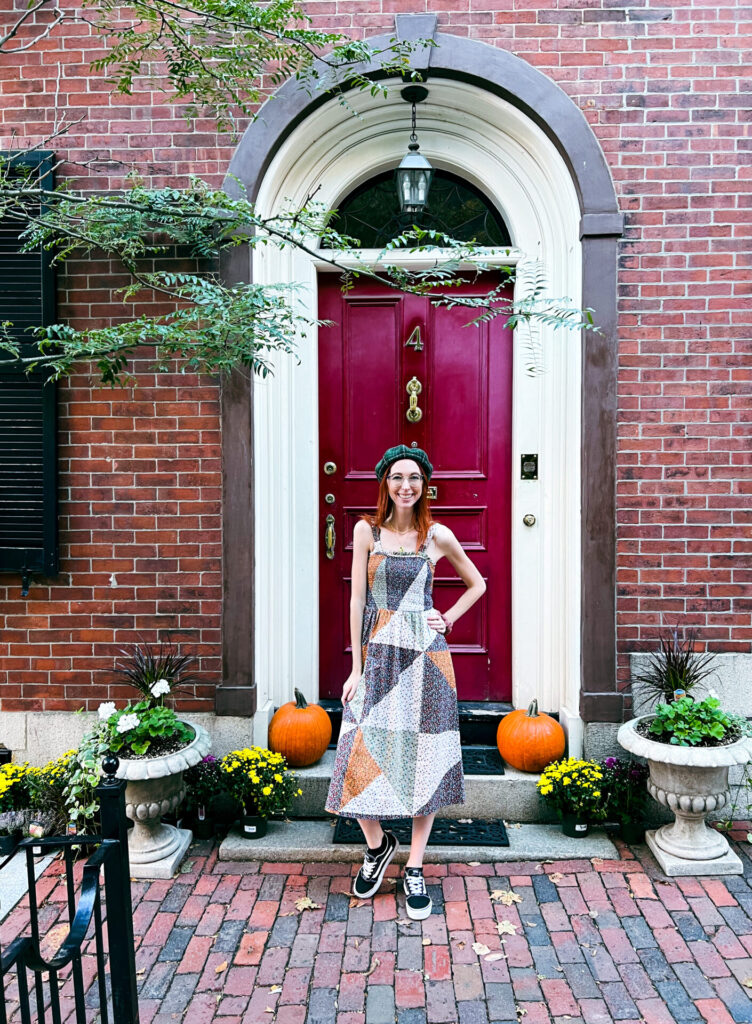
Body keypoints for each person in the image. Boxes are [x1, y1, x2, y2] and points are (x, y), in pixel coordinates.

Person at [324, 444, 487, 919]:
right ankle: (378, 846)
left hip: (426, 658)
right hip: (376, 655)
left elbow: (477, 583)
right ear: (385, 483)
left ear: (424, 485)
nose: (405, 486)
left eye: (414, 478)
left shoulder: (436, 535)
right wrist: (355, 667)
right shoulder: (364, 531)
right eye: (397, 477)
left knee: (425, 760)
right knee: (356, 749)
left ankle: (415, 864)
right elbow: (357, 603)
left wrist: (448, 618)